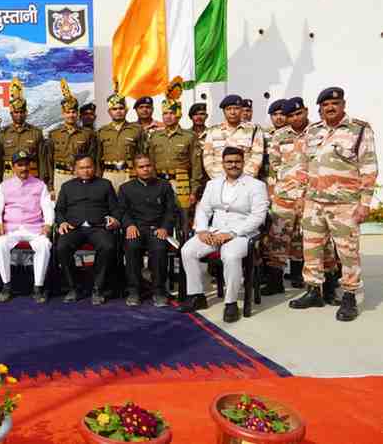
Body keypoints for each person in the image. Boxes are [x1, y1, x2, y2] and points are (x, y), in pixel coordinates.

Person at [290, 87, 377, 322]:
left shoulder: (359, 129)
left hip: (344, 205)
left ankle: (349, 296)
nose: (330, 107)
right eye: (325, 104)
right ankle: (313, 291)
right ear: (320, 108)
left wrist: (365, 204)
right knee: (311, 249)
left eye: (335, 104)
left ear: (343, 105)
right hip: (313, 203)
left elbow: (369, 167)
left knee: (347, 252)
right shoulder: (313, 131)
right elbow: (303, 165)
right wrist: (299, 196)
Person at [178, 147, 268, 323]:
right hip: (215, 231)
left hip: (242, 234)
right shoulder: (213, 184)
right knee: (187, 250)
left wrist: (233, 233)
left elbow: (258, 217)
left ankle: (231, 303)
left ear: (243, 163)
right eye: (229, 162)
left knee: (230, 255)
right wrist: (202, 230)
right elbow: (203, 209)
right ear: (223, 163)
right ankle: (197, 296)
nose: (233, 165)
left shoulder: (256, 185)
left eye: (237, 161)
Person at [263, 97, 320, 295]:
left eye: (299, 113)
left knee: (305, 238)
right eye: (291, 115)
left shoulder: (318, 132)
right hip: (284, 194)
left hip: (310, 194)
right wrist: (273, 191)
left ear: (306, 111)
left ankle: (300, 277)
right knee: (278, 238)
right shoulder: (279, 135)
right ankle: (275, 282)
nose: (295, 118)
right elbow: (274, 165)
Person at [55, 153, 120, 305]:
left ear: (94, 167)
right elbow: (59, 210)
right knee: (62, 247)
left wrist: (115, 220)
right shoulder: (67, 187)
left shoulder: (105, 184)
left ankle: (98, 288)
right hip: (73, 227)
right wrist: (62, 222)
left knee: (108, 246)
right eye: (82, 168)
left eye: (89, 167)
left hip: (98, 227)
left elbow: (115, 209)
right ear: (75, 170)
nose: (86, 171)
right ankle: (73, 287)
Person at [0, 150, 54, 304]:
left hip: (34, 227)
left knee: (44, 245)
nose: (24, 168)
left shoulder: (40, 185)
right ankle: (6, 286)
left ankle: (38, 287)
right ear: (13, 167)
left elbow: (48, 207)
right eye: (20, 165)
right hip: (11, 228)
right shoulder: (4, 186)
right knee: (0, 244)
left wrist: (48, 224)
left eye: (26, 164)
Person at [119, 154, 178, 307]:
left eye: (148, 166)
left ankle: (159, 291)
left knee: (159, 248)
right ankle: (134, 290)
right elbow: (122, 211)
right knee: (132, 247)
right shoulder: (126, 188)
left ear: (153, 167)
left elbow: (171, 210)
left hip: (156, 228)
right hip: (136, 228)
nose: (145, 169)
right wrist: (129, 225)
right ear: (135, 169)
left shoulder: (164, 186)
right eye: (141, 167)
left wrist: (165, 227)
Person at [147, 85, 203, 227]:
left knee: (183, 218)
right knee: (160, 216)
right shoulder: (155, 136)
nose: (168, 116)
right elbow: (150, 162)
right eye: (165, 113)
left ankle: (184, 240)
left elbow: (196, 166)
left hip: (181, 183)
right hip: (159, 182)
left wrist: (194, 191)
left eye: (172, 113)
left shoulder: (189, 136)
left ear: (179, 114)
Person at [0, 77, 48, 190]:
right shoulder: (3, 134)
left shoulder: (36, 133)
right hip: (8, 177)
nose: (19, 115)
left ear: (26, 113)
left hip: (31, 177)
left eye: (22, 112)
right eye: (16, 112)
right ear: (11, 113)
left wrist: (43, 183)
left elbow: (42, 161)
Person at [48, 79, 97, 197]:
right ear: (63, 114)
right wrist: (50, 184)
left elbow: (93, 158)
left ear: (78, 114)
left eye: (73, 112)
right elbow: (49, 161)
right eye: (68, 112)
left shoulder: (87, 134)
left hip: (81, 177)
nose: (71, 115)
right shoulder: (54, 134)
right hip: (60, 176)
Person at [202, 95, 264, 180]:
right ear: (224, 111)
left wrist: (243, 180)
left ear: (241, 110)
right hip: (219, 180)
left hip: (246, 181)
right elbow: (208, 158)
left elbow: (257, 157)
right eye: (228, 109)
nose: (232, 112)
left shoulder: (253, 129)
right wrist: (221, 180)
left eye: (236, 108)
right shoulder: (213, 131)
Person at [96, 93, 144, 192]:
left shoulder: (137, 130)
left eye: (121, 108)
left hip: (130, 175)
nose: (118, 111)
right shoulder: (102, 132)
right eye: (114, 109)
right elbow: (98, 158)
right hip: (108, 175)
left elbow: (142, 154)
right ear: (109, 112)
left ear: (126, 110)